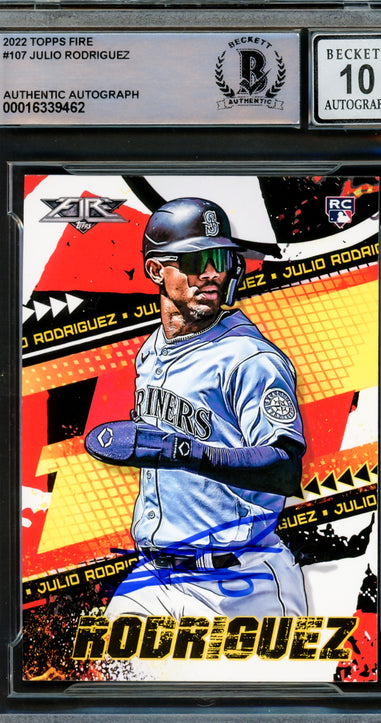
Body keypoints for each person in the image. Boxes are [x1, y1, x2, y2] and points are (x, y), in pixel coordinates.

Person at [85, 197, 307, 622]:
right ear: (156, 270)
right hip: (155, 577)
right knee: (104, 661)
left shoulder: (249, 358)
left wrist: (183, 452)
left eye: (219, 259)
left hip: (240, 583)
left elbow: (284, 468)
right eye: (195, 260)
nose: (211, 273)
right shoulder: (152, 350)